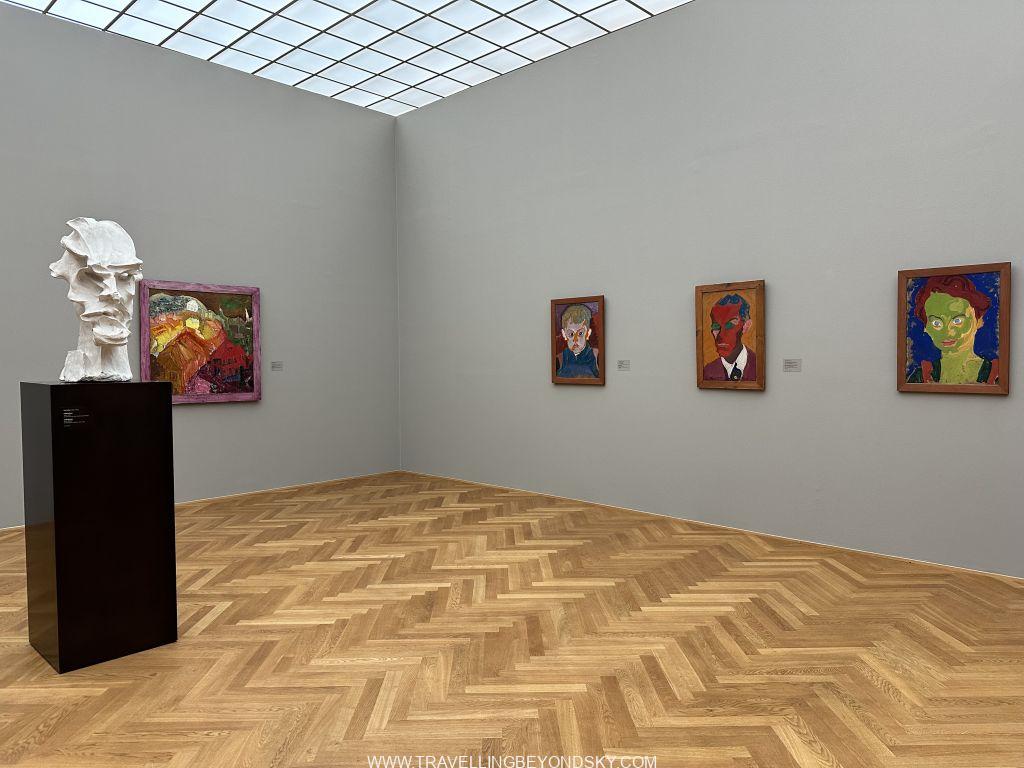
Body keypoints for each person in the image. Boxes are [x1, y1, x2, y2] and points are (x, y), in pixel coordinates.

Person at [907, 275, 998, 384]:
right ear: (926, 327)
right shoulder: (920, 377)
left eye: (957, 321)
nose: (947, 332)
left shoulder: (996, 375)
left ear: (978, 320)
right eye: (936, 323)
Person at [702, 294, 757, 381]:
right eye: (716, 326)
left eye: (730, 325)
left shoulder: (758, 365)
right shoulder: (707, 372)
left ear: (746, 326)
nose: (720, 335)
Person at [555, 304, 599, 378]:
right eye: (571, 334)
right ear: (564, 334)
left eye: (580, 333)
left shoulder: (593, 354)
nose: (575, 339)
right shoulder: (563, 355)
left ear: (588, 334)